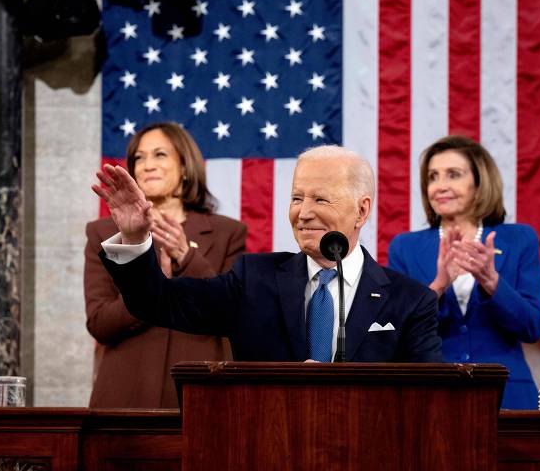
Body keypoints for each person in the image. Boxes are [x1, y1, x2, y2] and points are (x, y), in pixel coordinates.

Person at [92, 146, 442, 363]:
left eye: (319, 199)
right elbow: (157, 302)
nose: (303, 213)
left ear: (361, 211)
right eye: (296, 198)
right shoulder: (253, 280)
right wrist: (137, 236)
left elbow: (428, 399)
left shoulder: (410, 302)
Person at [84, 122, 246, 408]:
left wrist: (187, 257)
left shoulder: (228, 233)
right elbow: (100, 324)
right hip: (126, 397)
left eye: (160, 155)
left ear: (185, 166)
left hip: (201, 395)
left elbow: (232, 314)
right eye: (139, 157)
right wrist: (147, 289)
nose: (147, 165)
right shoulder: (103, 233)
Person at [388, 135, 540, 409]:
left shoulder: (519, 239)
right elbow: (396, 330)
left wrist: (493, 283)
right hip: (433, 395)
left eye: (453, 175)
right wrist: (438, 286)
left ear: (479, 182)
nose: (440, 186)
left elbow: (532, 327)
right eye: (433, 177)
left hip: (506, 395)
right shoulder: (405, 247)